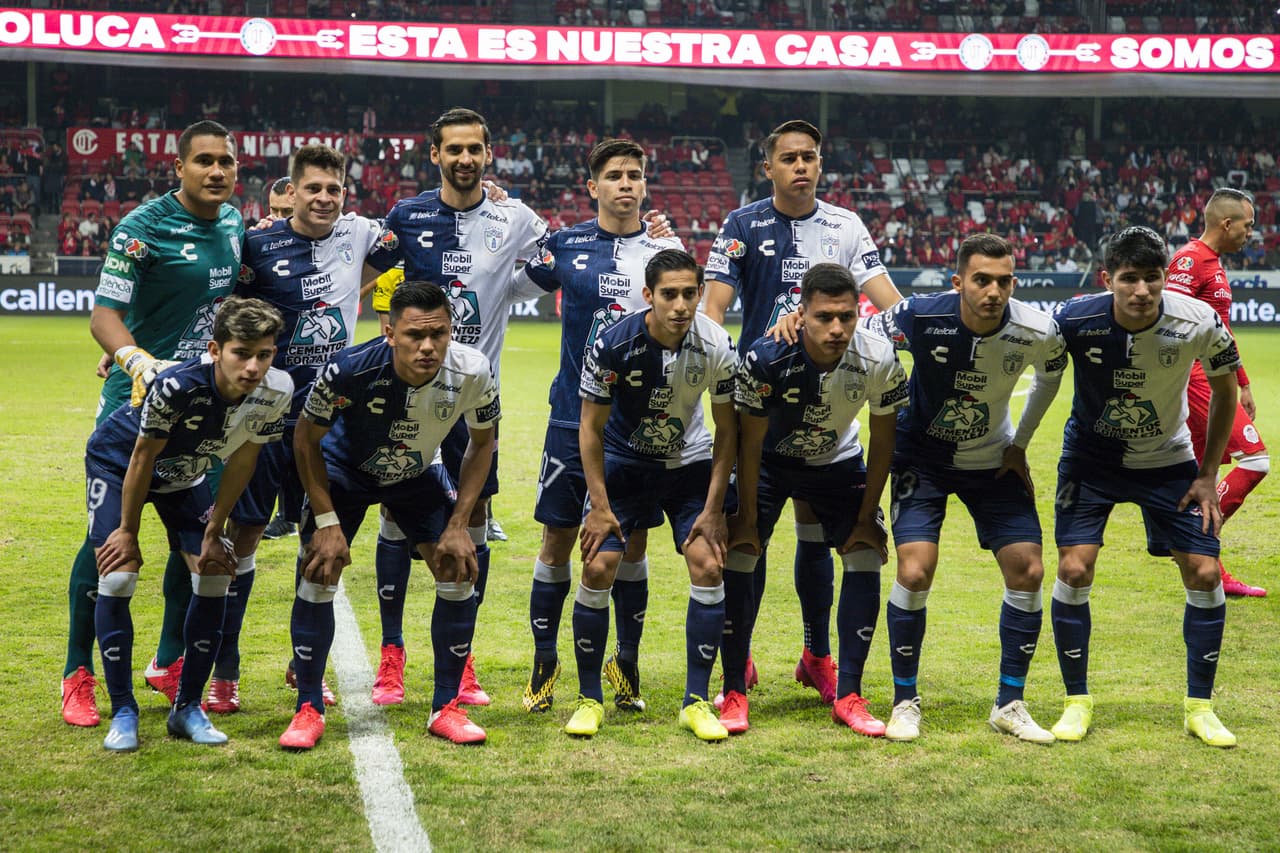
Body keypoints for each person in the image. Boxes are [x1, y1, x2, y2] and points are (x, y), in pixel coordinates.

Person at [702, 119, 902, 708]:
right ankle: (740, 660)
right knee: (750, 535)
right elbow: (715, 306)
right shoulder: (742, 224)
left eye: (809, 157)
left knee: (815, 535)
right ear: (768, 167)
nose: (800, 166)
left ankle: (817, 656)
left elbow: (886, 298)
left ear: (820, 164)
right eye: (788, 158)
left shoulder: (845, 225)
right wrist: (737, 364)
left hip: (830, 409)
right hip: (764, 399)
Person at [62, 120, 243, 728]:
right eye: (204, 161)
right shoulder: (141, 229)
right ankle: (77, 674)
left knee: (193, 539)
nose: (216, 172)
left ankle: (169, 661)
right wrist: (132, 356)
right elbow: (104, 316)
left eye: (226, 162)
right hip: (132, 403)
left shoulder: (237, 222)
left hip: (202, 407)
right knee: (110, 541)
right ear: (180, 168)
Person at [370, 107, 550, 708]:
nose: (465, 159)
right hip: (409, 400)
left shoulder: (517, 217)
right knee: (395, 524)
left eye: (475, 148)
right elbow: (356, 269)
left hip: (476, 405)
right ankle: (391, 657)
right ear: (436, 155)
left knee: (472, 529)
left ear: (489, 153)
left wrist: (651, 234)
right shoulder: (407, 215)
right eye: (454, 149)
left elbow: (562, 261)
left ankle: (461, 659)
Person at [214, 145, 399, 714]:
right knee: (242, 536)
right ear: (290, 191)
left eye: (334, 189)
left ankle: (306, 666)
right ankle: (225, 668)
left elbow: (423, 235)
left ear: (346, 193)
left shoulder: (364, 234)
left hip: (327, 419)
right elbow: (224, 309)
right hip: (264, 416)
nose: (324, 198)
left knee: (318, 541)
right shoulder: (257, 244)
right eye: (313, 188)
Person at [279, 281, 499, 749]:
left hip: (412, 472)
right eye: (414, 335)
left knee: (457, 570)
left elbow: (483, 444)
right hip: (344, 472)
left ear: (451, 330)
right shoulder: (348, 370)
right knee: (320, 569)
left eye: (438, 334)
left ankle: (446, 707)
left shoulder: (474, 371)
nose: (427, 346)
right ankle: (308, 707)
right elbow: (305, 439)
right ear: (389, 332)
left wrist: (459, 524)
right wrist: (326, 522)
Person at [1049, 225, 1242, 748]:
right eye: (1129, 279)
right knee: (1073, 567)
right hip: (1091, 460)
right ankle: (1076, 701)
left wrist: (1208, 474)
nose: (1141, 291)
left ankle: (1200, 707)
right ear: (1107, 278)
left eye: (1151, 279)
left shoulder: (1199, 320)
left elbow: (1227, 391)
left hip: (1170, 461)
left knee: (1204, 572)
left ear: (1164, 278)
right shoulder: (1073, 317)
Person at [871, 233, 1067, 743]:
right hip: (922, 458)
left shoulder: (1035, 329)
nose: (993, 291)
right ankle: (904, 701)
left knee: (1028, 569)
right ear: (959, 281)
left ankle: (1009, 702)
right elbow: (862, 338)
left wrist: (1020, 444)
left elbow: (1051, 375)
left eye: (1004, 281)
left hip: (993, 461)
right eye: (982, 280)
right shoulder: (918, 314)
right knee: (914, 570)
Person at [514, 139, 683, 715]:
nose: (626, 184)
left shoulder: (664, 249)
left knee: (631, 542)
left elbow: (692, 314)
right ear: (593, 187)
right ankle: (544, 659)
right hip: (571, 416)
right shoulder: (564, 245)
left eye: (635, 174)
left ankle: (626, 662)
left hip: (637, 426)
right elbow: (506, 282)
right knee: (558, 537)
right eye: (614, 175)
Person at [88, 297, 292, 751]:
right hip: (119, 463)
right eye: (242, 353)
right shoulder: (176, 385)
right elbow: (142, 457)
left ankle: (187, 708)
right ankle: (123, 711)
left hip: (185, 471)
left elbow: (243, 459)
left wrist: (214, 529)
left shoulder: (277, 391)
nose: (254, 366)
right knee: (119, 575)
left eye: (264, 354)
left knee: (217, 570)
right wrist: (127, 530)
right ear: (216, 350)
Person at [724, 263, 907, 735]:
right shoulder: (767, 357)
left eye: (846, 316)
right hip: (767, 462)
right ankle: (734, 689)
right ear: (801, 314)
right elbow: (747, 444)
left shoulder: (878, 356)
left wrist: (867, 516)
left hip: (835, 461)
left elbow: (885, 441)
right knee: (741, 552)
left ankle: (848, 692)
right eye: (825, 317)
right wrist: (745, 517)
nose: (837, 328)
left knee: (865, 554)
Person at [571, 249, 738, 741]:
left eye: (690, 293)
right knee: (599, 566)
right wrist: (599, 506)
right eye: (670, 294)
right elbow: (589, 427)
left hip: (689, 467)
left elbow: (727, 431)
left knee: (708, 564)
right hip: (626, 465)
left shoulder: (716, 345)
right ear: (649, 296)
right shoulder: (613, 344)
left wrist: (712, 509)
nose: (681, 304)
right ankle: (588, 700)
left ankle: (695, 702)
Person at [1165, 188, 1267, 597]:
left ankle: (1210, 563)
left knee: (1207, 472)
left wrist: (1241, 382)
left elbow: (1221, 332)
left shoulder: (1215, 264)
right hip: (1194, 377)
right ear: (1227, 223)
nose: (1250, 233)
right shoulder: (1190, 260)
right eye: (1248, 225)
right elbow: (1169, 322)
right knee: (1255, 460)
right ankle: (1188, 534)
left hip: (1214, 376)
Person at [260, 175, 302, 542]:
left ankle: (290, 514)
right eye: (272, 210)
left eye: (285, 212)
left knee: (295, 445)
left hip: (304, 362)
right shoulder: (257, 242)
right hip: (262, 359)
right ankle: (282, 513)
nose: (276, 217)